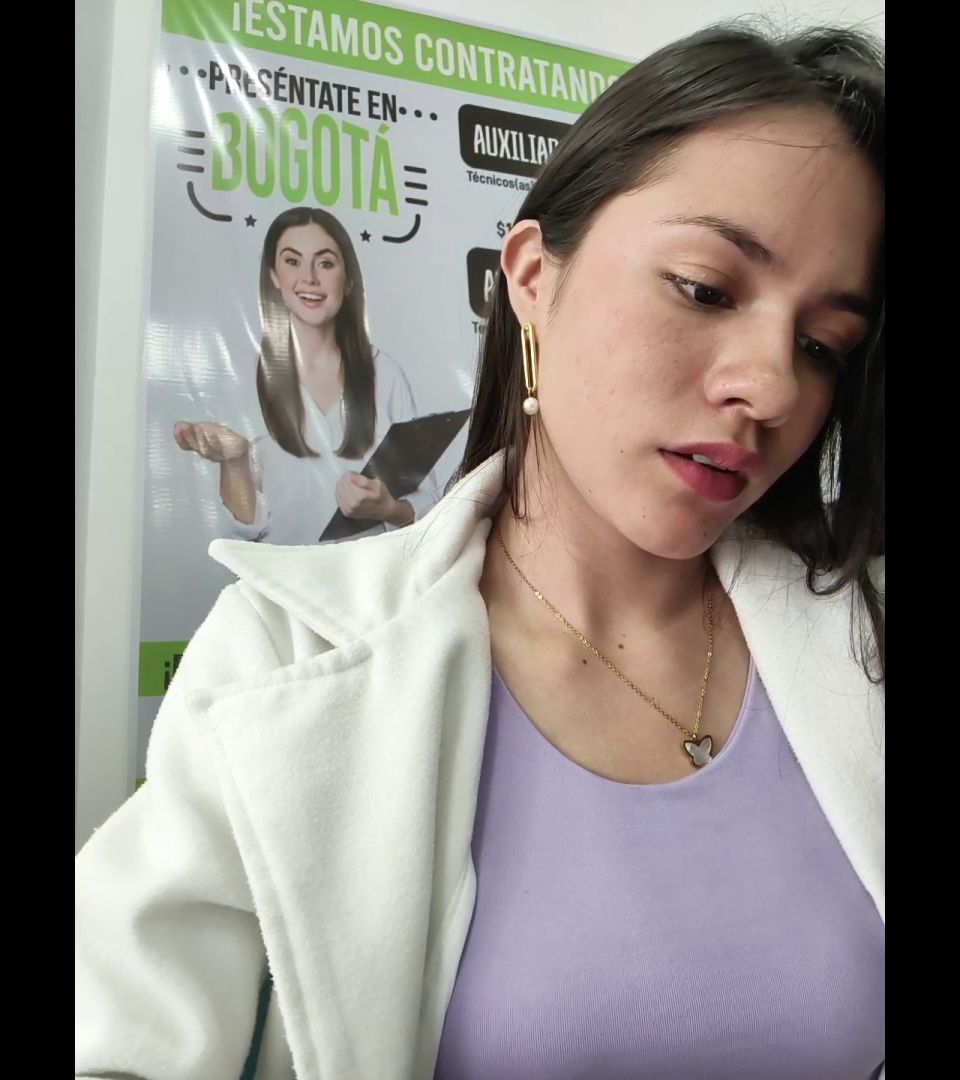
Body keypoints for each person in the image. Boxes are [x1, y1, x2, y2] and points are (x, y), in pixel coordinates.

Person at [77, 22, 885, 1080]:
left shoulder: (861, 640)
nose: (774, 387)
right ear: (533, 277)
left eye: (823, 345)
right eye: (704, 287)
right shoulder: (288, 657)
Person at [173, 206, 439, 544]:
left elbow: (430, 507)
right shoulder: (243, 379)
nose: (309, 278)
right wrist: (235, 462)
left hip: (371, 577)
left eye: (325, 263)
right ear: (274, 275)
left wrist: (388, 509)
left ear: (349, 279)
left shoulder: (385, 376)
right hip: (281, 578)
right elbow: (241, 537)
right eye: (292, 261)